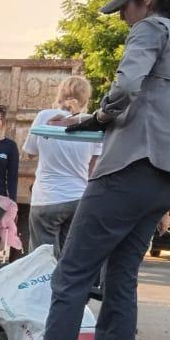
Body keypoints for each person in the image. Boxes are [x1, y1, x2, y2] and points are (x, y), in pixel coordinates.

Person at [41, 0, 170, 340]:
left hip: (128, 170)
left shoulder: (150, 28)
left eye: (125, 6)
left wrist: (102, 116)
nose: (122, 16)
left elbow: (126, 87)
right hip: (164, 180)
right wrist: (91, 120)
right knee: (121, 281)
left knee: (70, 276)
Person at [23, 76, 100, 256]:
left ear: (59, 94)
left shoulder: (44, 116)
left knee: (41, 261)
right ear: (86, 99)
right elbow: (92, 169)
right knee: (69, 259)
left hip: (46, 198)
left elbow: (30, 152)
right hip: (78, 199)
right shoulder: (94, 124)